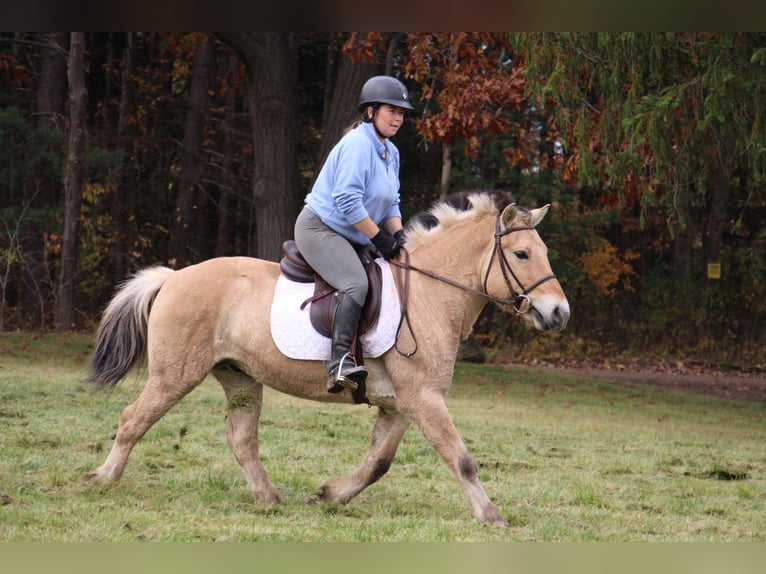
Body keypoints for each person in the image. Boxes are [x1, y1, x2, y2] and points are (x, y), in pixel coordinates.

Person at [294, 75, 414, 393]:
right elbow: (347, 200)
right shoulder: (358, 144)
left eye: (402, 112)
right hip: (320, 228)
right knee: (356, 283)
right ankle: (339, 364)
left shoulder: (391, 152)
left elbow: (392, 202)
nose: (398, 118)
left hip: (356, 235)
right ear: (370, 111)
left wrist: (399, 236)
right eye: (392, 110)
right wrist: (379, 239)